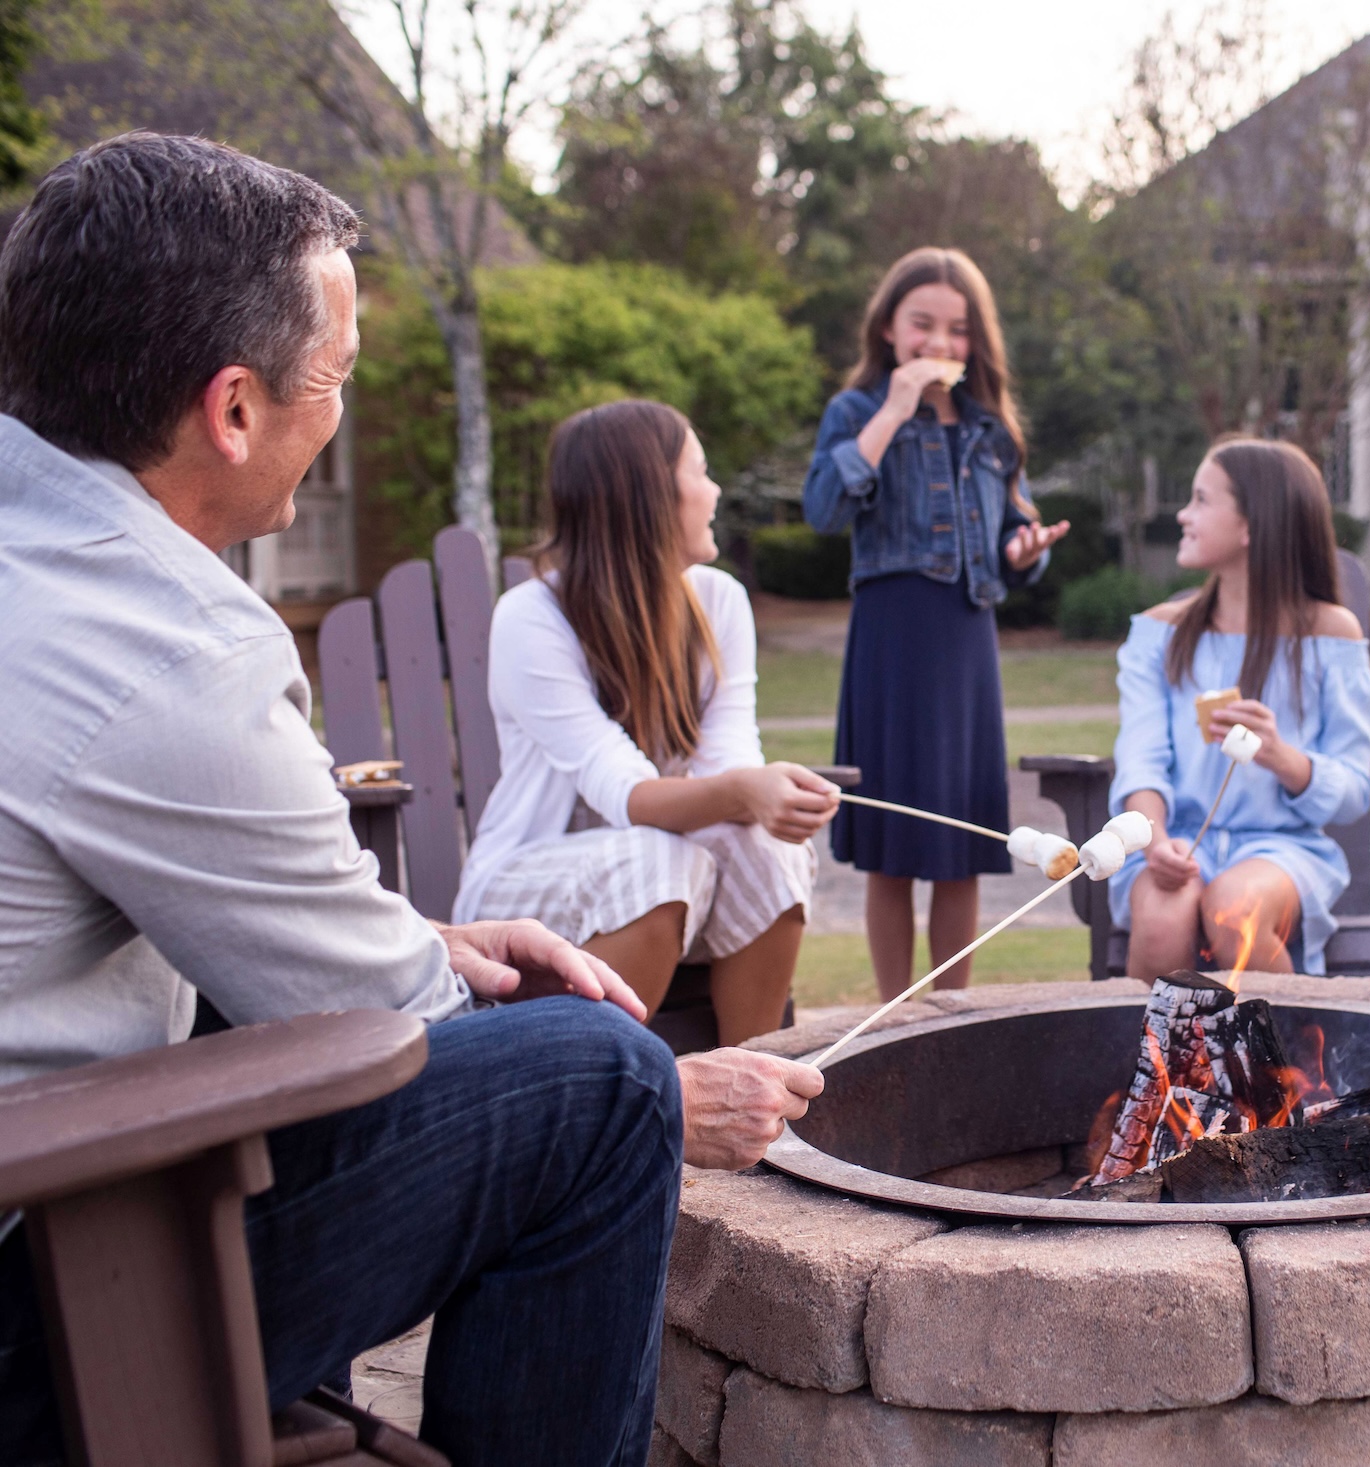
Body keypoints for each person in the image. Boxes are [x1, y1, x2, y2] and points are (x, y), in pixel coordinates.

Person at [0, 133, 819, 1467]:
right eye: (337, 375)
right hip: (62, 1300)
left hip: (52, 1171)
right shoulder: (163, 648)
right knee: (604, 1084)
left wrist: (434, 937)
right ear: (234, 409)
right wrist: (676, 1093)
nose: (337, 408)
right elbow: (383, 1029)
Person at [455, 400, 838, 1048]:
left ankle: (755, 1094)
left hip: (677, 875)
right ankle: (606, 1104)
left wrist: (764, 794)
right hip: (527, 888)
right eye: (702, 470)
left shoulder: (719, 601)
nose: (716, 491)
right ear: (650, 496)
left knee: (769, 850)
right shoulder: (533, 617)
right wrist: (748, 791)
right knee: (657, 856)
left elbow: (729, 766)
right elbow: (625, 794)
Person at [802, 247, 1070, 1001]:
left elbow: (1012, 542)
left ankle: (950, 1011)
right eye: (923, 325)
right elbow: (825, 509)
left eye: (957, 330)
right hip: (889, 641)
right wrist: (894, 407)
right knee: (893, 841)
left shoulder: (992, 430)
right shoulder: (855, 413)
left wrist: (1025, 552)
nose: (940, 345)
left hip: (965, 645)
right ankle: (895, 1009)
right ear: (889, 328)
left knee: (962, 842)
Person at [1108, 439, 1370, 979]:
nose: (1183, 514)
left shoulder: (1330, 636)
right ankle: (1162, 1066)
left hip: (1283, 850)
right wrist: (1154, 842)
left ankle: (1285, 1064)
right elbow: (1142, 761)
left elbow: (1352, 791)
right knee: (1163, 918)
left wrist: (1282, 757)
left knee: (1234, 911)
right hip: (1175, 840)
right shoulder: (1158, 635)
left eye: (1202, 500)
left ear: (1253, 526)